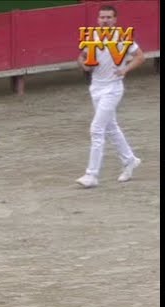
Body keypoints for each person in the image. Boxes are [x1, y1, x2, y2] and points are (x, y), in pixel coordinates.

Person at [76, 4, 146, 189]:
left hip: (113, 89)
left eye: (108, 17)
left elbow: (140, 57)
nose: (104, 20)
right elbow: (81, 57)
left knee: (96, 129)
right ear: (98, 19)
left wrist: (125, 69)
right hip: (96, 88)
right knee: (110, 127)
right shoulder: (91, 37)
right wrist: (85, 66)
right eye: (102, 17)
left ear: (115, 19)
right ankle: (130, 160)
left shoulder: (123, 38)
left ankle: (92, 174)